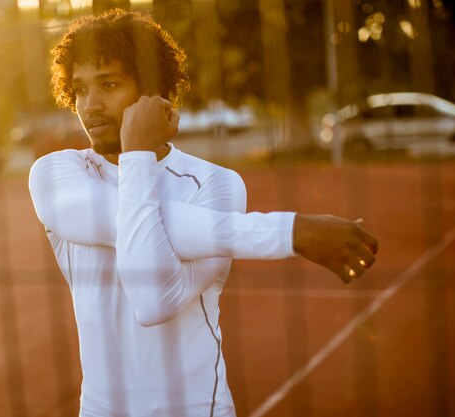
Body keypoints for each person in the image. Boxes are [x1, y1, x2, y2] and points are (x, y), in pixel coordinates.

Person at [28, 9, 378, 417]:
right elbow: (137, 224)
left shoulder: (216, 184)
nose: (90, 105)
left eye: (108, 84)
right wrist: (290, 231)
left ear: (155, 93)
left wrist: (136, 154)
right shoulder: (58, 173)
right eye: (80, 89)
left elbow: (153, 300)